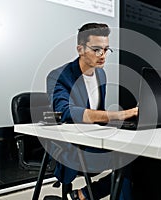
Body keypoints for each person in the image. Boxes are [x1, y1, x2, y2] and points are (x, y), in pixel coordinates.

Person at [47, 23, 138, 200]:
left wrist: (128, 123)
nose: (102, 55)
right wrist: (120, 114)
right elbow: (67, 112)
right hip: (71, 147)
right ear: (80, 49)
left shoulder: (100, 74)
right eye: (96, 49)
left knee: (138, 156)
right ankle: (87, 194)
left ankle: (84, 195)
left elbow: (98, 114)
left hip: (94, 138)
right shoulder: (59, 75)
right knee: (128, 159)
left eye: (106, 49)